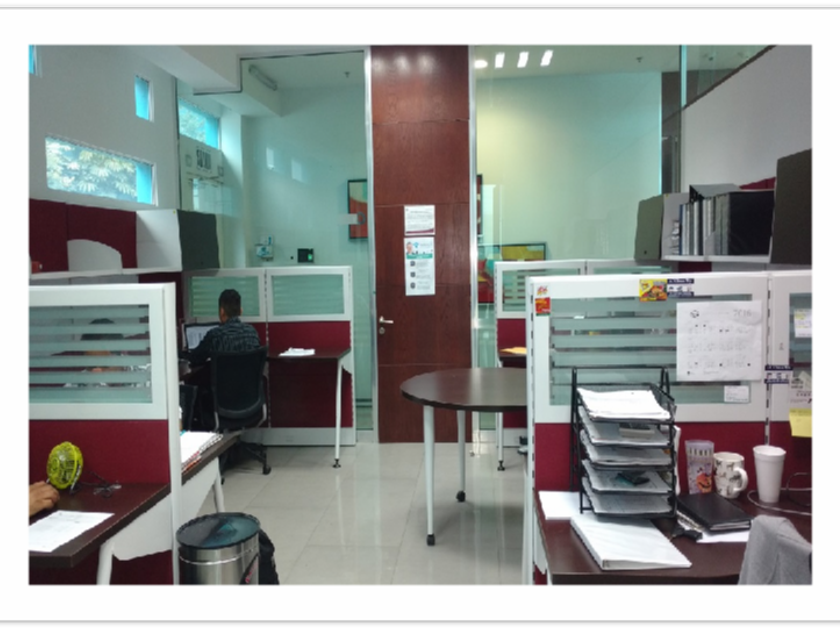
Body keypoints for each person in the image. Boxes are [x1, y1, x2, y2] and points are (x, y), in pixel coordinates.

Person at [182, 289, 262, 429]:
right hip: (250, 402)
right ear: (241, 311)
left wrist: (180, 353)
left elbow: (195, 358)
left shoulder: (216, 335)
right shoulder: (252, 333)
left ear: (222, 311)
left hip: (222, 404)